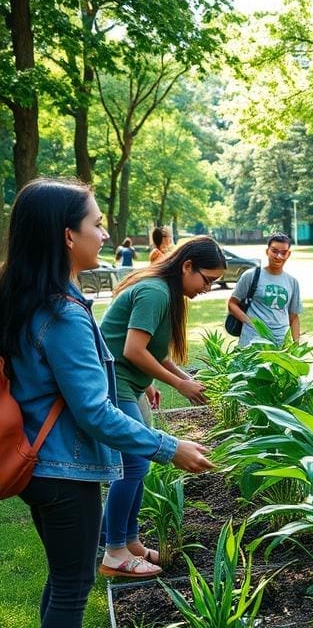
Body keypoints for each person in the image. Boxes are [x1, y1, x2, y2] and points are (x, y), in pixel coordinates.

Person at [0, 178, 211, 628]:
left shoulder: (30, 297)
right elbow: (94, 410)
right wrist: (169, 446)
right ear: (67, 236)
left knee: (63, 575)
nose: (106, 231)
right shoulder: (63, 313)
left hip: (41, 464)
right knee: (73, 584)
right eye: (96, 223)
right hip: (62, 470)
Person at [98, 235, 225, 578]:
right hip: (115, 382)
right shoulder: (155, 291)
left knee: (137, 465)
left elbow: (152, 349)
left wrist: (173, 378)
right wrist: (177, 383)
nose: (208, 288)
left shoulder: (164, 291)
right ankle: (114, 554)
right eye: (207, 279)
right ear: (187, 266)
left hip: (129, 382)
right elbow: (132, 351)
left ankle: (129, 541)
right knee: (135, 464)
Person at [227, 233, 302, 347]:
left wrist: (296, 345)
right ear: (267, 251)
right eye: (274, 251)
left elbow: (294, 317)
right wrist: (250, 323)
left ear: (288, 254)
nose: (278, 256)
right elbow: (232, 304)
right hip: (252, 341)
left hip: (280, 344)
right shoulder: (251, 275)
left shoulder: (292, 282)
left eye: (283, 253)